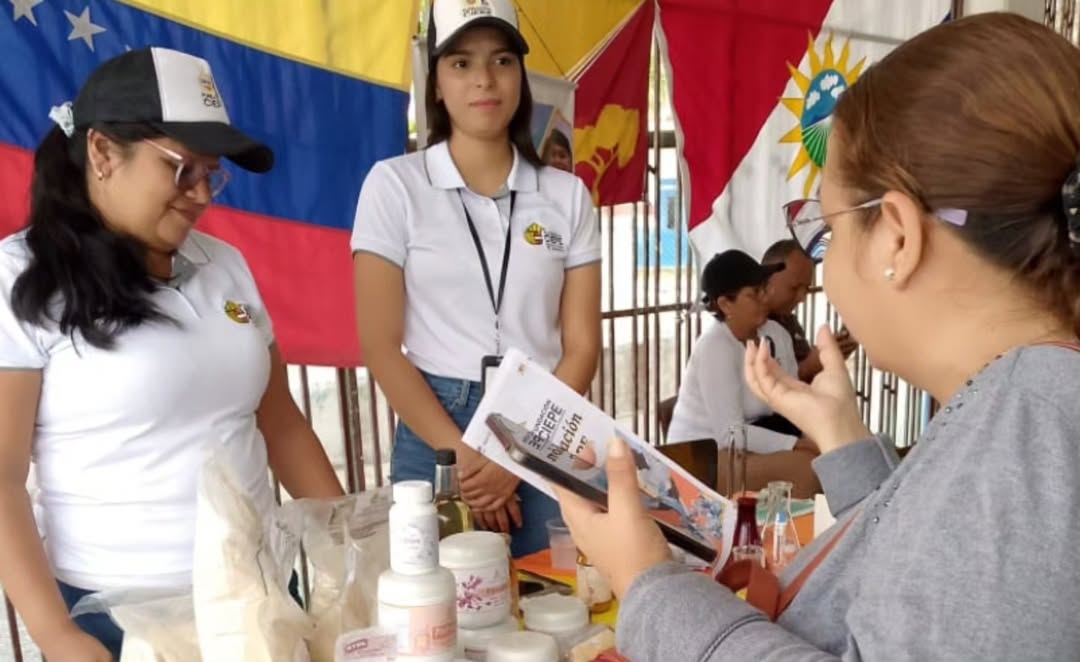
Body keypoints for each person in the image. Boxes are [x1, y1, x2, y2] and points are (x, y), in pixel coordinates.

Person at [556, 13, 1080, 660]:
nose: (821, 271)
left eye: (826, 232)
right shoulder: (1022, 405)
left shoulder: (1026, 434)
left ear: (896, 235)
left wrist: (646, 580)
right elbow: (929, 587)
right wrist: (847, 444)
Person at [0, 48, 344, 661]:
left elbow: (282, 423)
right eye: (182, 169)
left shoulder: (224, 267)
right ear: (103, 153)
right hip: (124, 619)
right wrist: (57, 635)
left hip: (258, 596)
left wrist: (348, 545)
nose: (202, 194)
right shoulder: (21, 281)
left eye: (212, 173)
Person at [351, 0, 601, 557]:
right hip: (434, 421)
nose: (484, 79)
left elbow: (583, 346)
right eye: (461, 63)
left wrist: (516, 452)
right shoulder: (395, 186)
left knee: (551, 609)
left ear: (521, 76)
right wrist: (465, 457)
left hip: (542, 418)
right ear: (436, 82)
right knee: (438, 620)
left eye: (502, 60)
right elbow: (380, 346)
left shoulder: (566, 195)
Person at [666, 249, 819, 496]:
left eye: (763, 290)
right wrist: (798, 445)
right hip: (704, 457)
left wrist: (816, 437)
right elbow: (730, 434)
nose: (764, 299)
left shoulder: (776, 334)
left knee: (825, 457)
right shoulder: (715, 346)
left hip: (748, 445)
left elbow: (791, 399)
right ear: (726, 304)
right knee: (806, 469)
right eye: (753, 294)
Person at [761, 238, 857, 381]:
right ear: (768, 278)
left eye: (806, 289)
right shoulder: (750, 325)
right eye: (794, 287)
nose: (802, 298)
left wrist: (828, 358)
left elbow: (805, 380)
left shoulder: (789, 322)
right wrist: (808, 367)